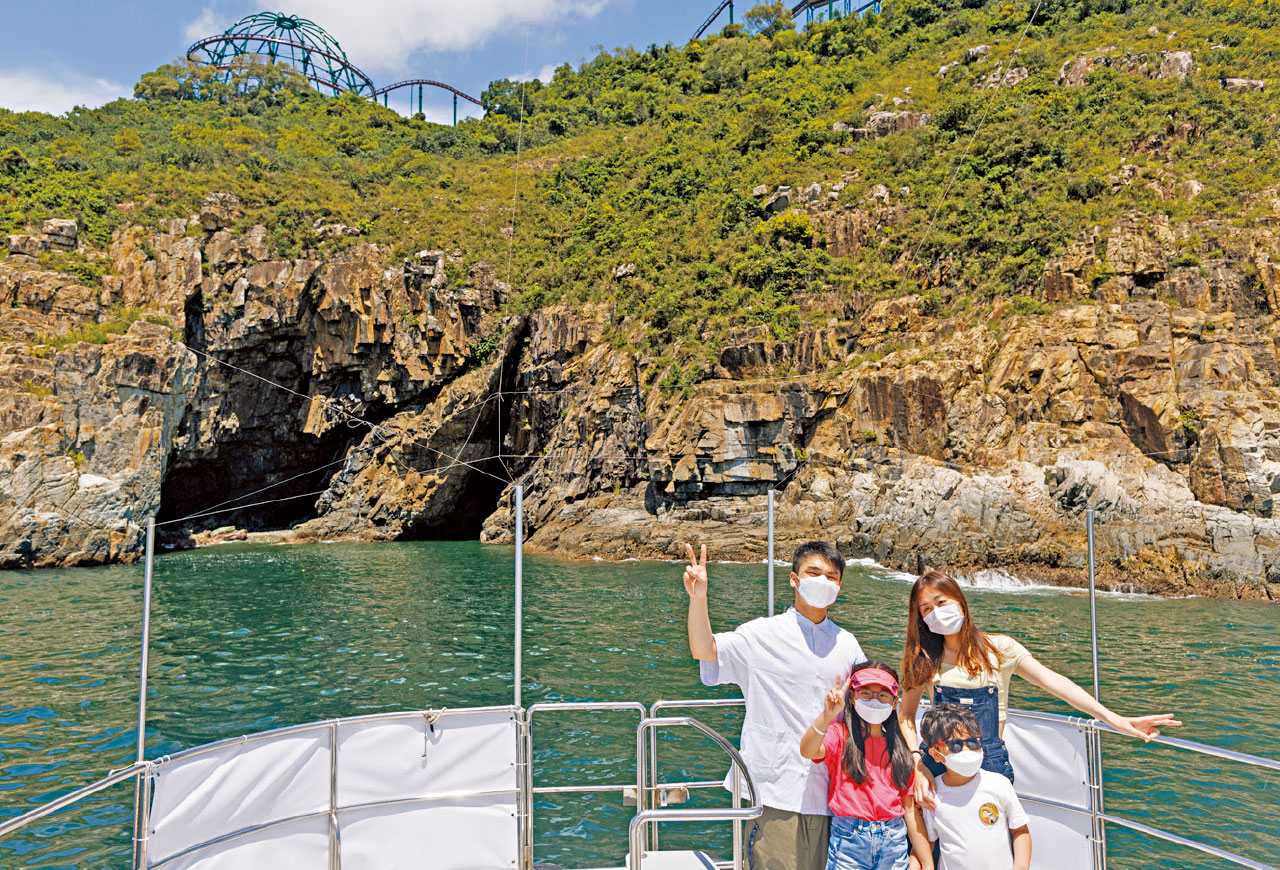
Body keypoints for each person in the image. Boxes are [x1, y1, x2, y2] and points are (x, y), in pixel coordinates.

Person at [899, 570, 1181, 795]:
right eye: (925, 609)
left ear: (960, 601)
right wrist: (917, 761)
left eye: (940, 602)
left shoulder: (1000, 649)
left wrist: (1113, 718)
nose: (934, 613)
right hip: (938, 763)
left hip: (990, 763)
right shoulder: (924, 658)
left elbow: (1054, 683)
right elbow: (906, 716)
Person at [685, 540, 866, 870]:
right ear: (794, 579)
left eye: (832, 576)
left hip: (833, 794)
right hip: (773, 790)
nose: (823, 582)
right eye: (813, 572)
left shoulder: (848, 644)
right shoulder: (760, 635)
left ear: (839, 585)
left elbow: (866, 710)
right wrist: (699, 600)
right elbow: (705, 649)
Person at [799, 661, 932, 870]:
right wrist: (827, 716)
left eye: (883, 695)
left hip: (894, 840)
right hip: (848, 842)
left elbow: (909, 810)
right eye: (866, 693)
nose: (874, 701)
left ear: (894, 701)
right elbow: (808, 750)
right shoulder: (840, 736)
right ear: (852, 696)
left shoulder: (901, 749)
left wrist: (927, 863)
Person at [919, 703, 1030, 870]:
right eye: (955, 745)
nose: (966, 749)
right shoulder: (932, 796)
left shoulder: (999, 784)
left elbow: (1020, 831)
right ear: (935, 754)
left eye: (973, 742)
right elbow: (927, 843)